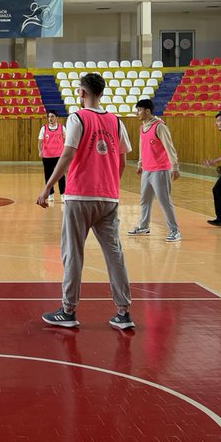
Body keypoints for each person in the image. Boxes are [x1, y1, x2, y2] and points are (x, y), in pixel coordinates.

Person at [37, 72, 134, 331]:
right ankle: (123, 312)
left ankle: (68, 310)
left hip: (80, 196)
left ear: (82, 93)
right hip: (108, 198)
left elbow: (67, 156)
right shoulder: (116, 121)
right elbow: (123, 159)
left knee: (73, 254)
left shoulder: (77, 118)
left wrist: (47, 187)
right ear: (101, 93)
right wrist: (111, 184)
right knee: (114, 254)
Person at [129, 99, 182, 242]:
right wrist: (140, 163)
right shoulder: (142, 127)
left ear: (147, 111)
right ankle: (144, 226)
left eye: (139, 110)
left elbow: (169, 148)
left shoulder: (160, 127)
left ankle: (174, 230)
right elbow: (142, 146)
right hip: (147, 169)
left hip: (160, 170)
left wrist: (174, 167)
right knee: (144, 200)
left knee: (164, 201)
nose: (137, 113)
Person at [37, 111, 66, 202]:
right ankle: (50, 194)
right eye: (49, 117)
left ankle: (63, 194)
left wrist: (65, 150)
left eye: (52, 116)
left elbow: (67, 139)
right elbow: (40, 142)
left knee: (61, 175)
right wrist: (40, 151)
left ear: (56, 117)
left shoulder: (62, 128)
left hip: (59, 156)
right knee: (48, 176)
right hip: (47, 156)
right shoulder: (44, 128)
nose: (50, 118)